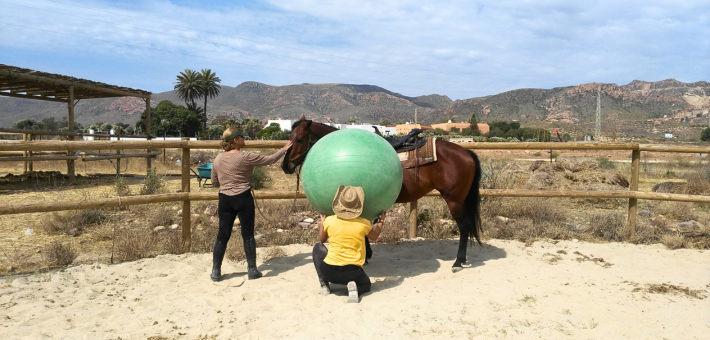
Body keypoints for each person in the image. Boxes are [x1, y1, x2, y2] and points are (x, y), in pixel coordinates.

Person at [210, 127, 293, 281]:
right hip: (243, 197)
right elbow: (270, 160)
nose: (244, 139)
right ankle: (252, 270)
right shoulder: (246, 157)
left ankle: (215, 271)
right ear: (235, 140)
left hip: (225, 199)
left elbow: (214, 182)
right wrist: (283, 150)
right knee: (247, 235)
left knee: (222, 235)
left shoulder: (218, 159)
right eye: (241, 137)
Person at [312, 185, 386, 303]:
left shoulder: (330, 220)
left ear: (339, 203)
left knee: (317, 247)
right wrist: (381, 221)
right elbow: (375, 236)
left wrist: (322, 223)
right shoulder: (364, 223)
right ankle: (354, 287)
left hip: (329, 272)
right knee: (367, 285)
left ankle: (324, 285)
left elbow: (321, 239)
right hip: (354, 273)